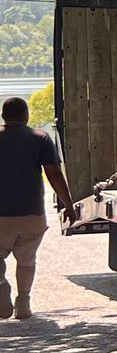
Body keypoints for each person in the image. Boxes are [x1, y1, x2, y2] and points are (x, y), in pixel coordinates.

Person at [0, 96, 75, 321]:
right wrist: (68, 205)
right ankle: (23, 303)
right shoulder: (40, 138)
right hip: (32, 214)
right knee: (27, 259)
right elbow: (54, 175)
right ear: (26, 116)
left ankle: (1, 284)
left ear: (3, 116)